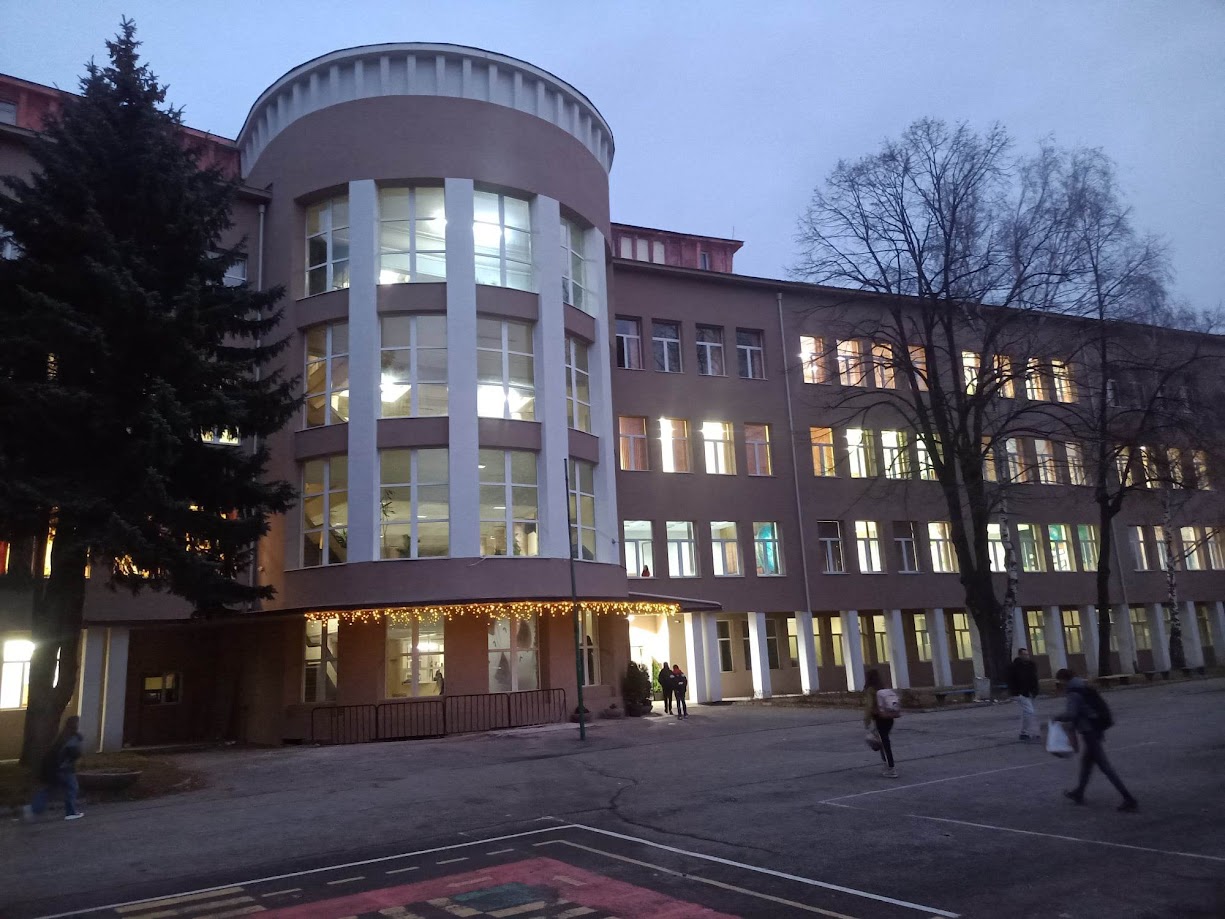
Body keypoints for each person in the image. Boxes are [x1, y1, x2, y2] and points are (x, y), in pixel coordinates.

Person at [1054, 668, 1138, 812]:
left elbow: (1071, 714)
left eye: (1060, 681)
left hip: (1089, 732)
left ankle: (1128, 798)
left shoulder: (1073, 692)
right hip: (1096, 728)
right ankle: (1079, 792)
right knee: (1086, 764)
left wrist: (1056, 718)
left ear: (1063, 679)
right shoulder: (1083, 686)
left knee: (1105, 767)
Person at [23, 715, 85, 822]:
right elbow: (73, 753)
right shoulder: (73, 738)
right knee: (72, 788)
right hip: (65, 769)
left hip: (55, 768)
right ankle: (70, 812)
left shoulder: (63, 736)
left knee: (50, 789)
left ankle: (33, 808)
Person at [863, 669, 897, 778]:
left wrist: (867, 720)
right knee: (882, 741)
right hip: (889, 717)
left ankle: (891, 768)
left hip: (880, 718)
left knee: (883, 743)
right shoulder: (882, 687)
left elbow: (869, 706)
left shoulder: (871, 689)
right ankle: (887, 765)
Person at [1008, 647, 1041, 741]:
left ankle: (1030, 732)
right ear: (1020, 655)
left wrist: (1035, 691)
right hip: (1021, 693)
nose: (1026, 656)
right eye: (1024, 655)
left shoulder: (1031, 665)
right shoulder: (1015, 666)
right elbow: (1012, 680)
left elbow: (1034, 678)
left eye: (1027, 654)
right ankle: (1025, 732)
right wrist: (1016, 692)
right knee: (1029, 711)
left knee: (1028, 712)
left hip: (1030, 692)